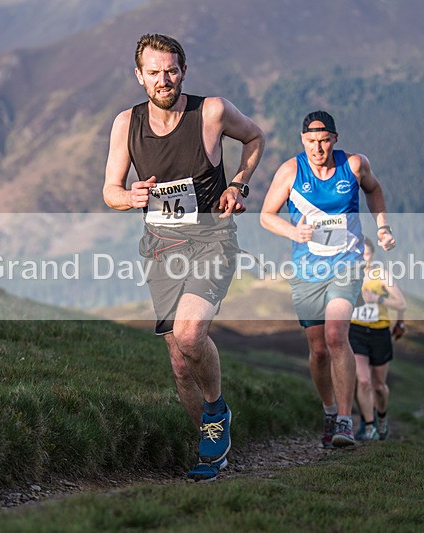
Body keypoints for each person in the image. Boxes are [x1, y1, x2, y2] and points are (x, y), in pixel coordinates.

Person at [102, 34, 265, 481]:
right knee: (178, 360)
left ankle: (217, 412)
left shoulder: (210, 111)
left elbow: (254, 137)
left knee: (191, 336)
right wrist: (129, 196)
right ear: (139, 76)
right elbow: (110, 190)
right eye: (153, 72)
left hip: (211, 240)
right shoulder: (126, 124)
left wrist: (239, 184)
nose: (163, 80)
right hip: (160, 248)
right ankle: (210, 453)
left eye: (170, 70)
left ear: (183, 71)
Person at [260, 110, 395, 448]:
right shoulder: (291, 171)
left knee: (337, 337)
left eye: (323, 141)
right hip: (307, 269)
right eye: (310, 142)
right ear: (302, 141)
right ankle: (330, 410)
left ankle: (346, 422)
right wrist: (294, 231)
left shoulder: (353, 165)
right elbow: (265, 215)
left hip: (346, 264)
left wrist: (382, 227)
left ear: (334, 138)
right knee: (318, 350)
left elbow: (374, 190)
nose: (317, 148)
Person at [350, 237, 406, 441]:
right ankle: (370, 425)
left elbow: (401, 303)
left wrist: (377, 299)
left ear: (372, 255)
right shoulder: (349, 274)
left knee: (379, 386)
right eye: (359, 253)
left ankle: (381, 416)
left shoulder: (381, 275)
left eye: (366, 254)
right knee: (363, 380)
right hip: (356, 330)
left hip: (380, 332)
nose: (363, 258)